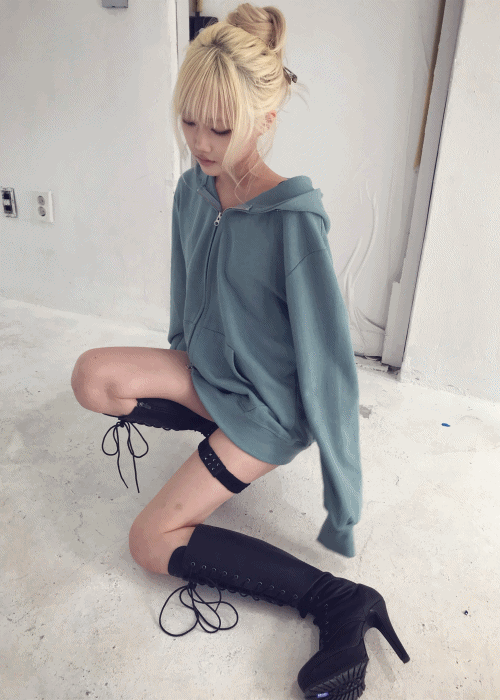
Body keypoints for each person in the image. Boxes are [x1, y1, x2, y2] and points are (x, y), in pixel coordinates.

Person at [71, 3, 410, 697]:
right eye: (190, 121)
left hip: (269, 409)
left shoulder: (292, 221)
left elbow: (330, 363)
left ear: (265, 119)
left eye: (221, 129)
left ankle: (337, 600)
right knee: (92, 377)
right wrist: (178, 363)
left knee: (150, 542)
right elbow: (184, 293)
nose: (201, 142)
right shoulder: (193, 190)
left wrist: (343, 495)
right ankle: (214, 436)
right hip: (212, 375)